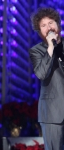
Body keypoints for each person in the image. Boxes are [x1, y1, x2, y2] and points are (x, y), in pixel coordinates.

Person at [30, 7, 64, 150]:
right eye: (43, 26)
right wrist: (50, 47)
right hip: (52, 113)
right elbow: (41, 74)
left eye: (51, 23)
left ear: (58, 24)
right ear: (40, 32)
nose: (48, 27)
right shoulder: (36, 51)